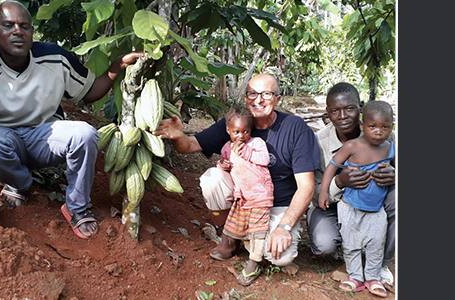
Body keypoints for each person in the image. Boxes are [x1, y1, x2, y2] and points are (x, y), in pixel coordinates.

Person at [0, 1, 142, 239]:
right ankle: (21, 184)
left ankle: (77, 207)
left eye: (24, 26)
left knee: (85, 134)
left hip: (45, 137)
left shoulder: (55, 58)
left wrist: (118, 65)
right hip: (3, 140)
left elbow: (90, 92)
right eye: (8, 26)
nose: (17, 31)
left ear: (32, 32)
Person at [155, 73, 320, 267]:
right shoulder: (236, 122)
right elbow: (190, 146)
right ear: (245, 98)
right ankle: (233, 238)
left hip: (277, 205)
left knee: (279, 257)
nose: (258, 100)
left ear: (277, 99)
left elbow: (306, 186)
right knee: (212, 178)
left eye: (266, 94)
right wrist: (178, 135)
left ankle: (247, 238)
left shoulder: (295, 128)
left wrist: (284, 227)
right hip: (242, 199)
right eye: (252, 93)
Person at [307, 82, 396, 287]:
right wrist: (340, 182)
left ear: (361, 108)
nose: (343, 116)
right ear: (327, 114)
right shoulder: (318, 142)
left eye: (349, 108)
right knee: (324, 244)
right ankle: (350, 249)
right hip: (333, 205)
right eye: (335, 111)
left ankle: (381, 262)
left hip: (375, 202)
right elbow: (314, 191)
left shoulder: (383, 133)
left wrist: (394, 174)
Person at [217, 104, 274, 285]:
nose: (241, 136)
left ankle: (253, 263)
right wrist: (223, 165)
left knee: (258, 231)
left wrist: (247, 152)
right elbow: (226, 163)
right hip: (242, 196)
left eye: (245, 131)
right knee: (237, 224)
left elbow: (264, 160)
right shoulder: (228, 147)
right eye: (236, 132)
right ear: (228, 130)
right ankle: (231, 246)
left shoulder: (256, 144)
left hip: (260, 195)